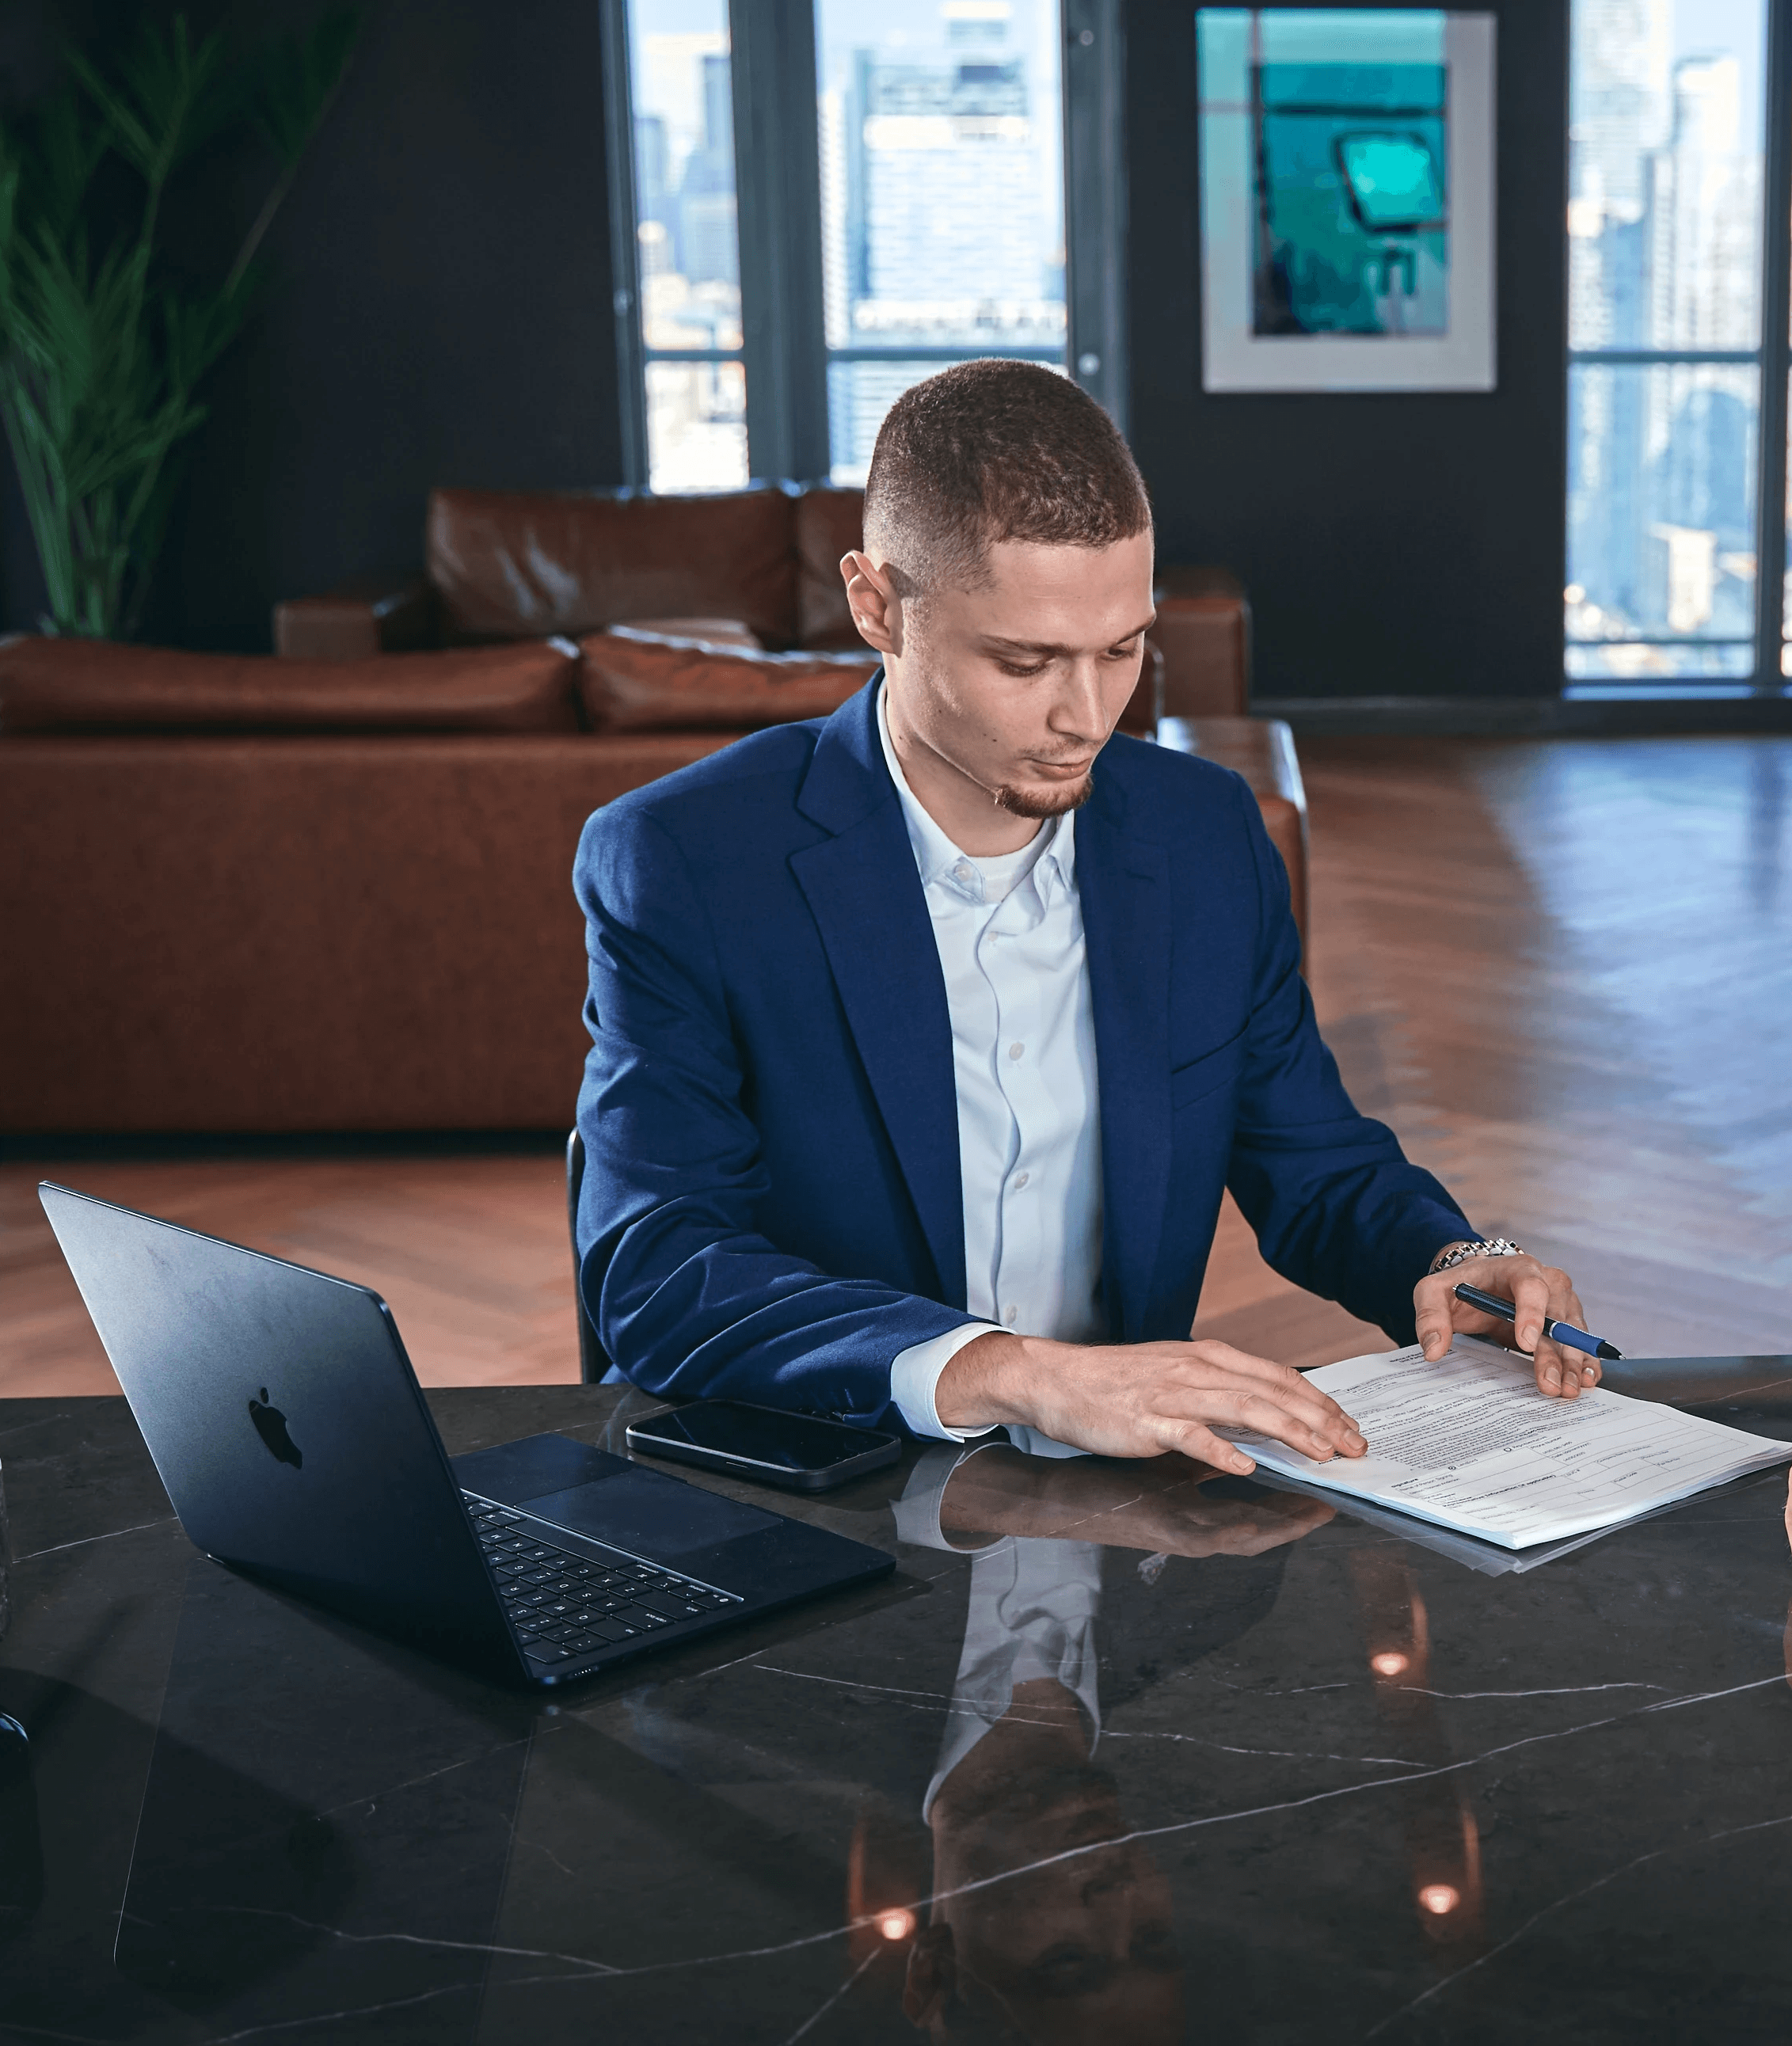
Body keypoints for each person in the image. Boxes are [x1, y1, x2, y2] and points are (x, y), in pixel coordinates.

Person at [573, 359, 1600, 1470]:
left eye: (1122, 651)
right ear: (875, 607)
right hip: (833, 1491)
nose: (1085, 716)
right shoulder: (686, 859)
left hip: (1129, 1527)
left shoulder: (1206, 837)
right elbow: (656, 1269)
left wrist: (1448, 1256)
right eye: (1023, 660)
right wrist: (1012, 1369)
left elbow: (1309, 1162)